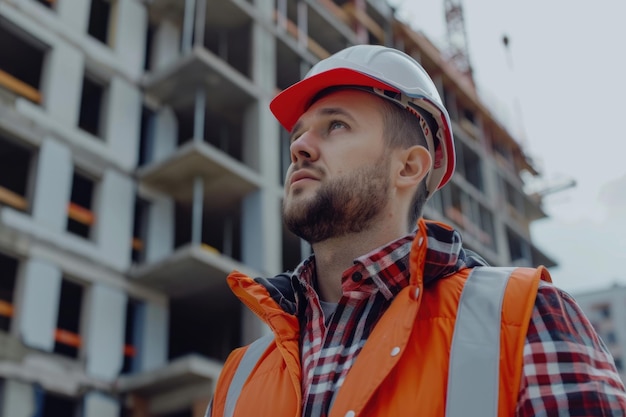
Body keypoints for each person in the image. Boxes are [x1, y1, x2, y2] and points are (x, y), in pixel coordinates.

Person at [206, 45, 626, 416]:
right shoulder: (239, 375)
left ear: (408, 167)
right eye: (298, 134)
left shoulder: (524, 318)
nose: (299, 147)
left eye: (336, 126)